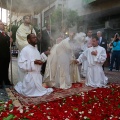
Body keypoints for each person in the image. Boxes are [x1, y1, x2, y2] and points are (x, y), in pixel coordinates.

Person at [0, 21, 12, 88]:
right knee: (1, 68)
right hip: (1, 54)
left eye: (3, 24)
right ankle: (0, 82)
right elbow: (2, 41)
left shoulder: (5, 34)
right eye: (1, 24)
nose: (3, 25)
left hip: (6, 54)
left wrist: (10, 39)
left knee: (6, 67)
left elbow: (7, 44)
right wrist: (8, 38)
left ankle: (6, 80)